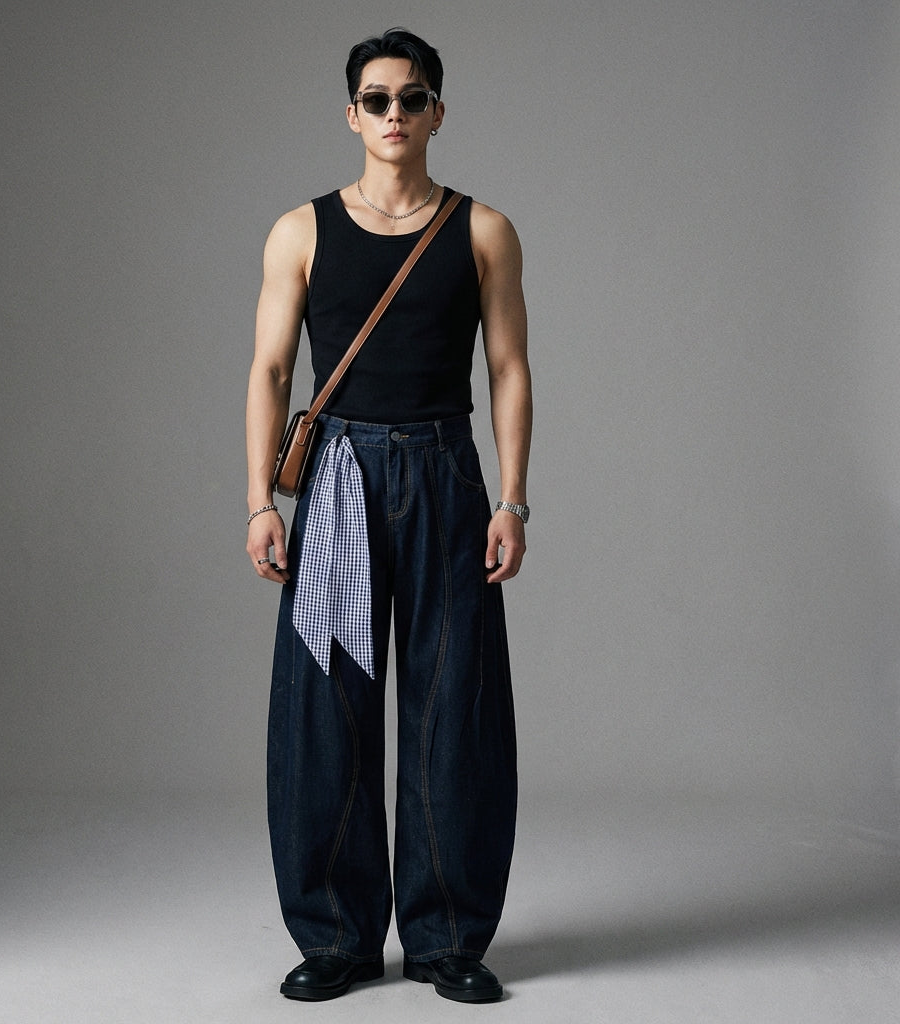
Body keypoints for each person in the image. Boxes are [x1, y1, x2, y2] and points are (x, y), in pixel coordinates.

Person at [245, 28, 531, 1004]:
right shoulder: (302, 231)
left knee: (454, 711)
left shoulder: (483, 230)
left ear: (438, 113)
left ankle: (447, 939)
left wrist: (512, 498)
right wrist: (258, 502)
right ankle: (337, 938)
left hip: (447, 474)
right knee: (325, 712)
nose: (394, 114)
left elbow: (508, 369)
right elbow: (270, 371)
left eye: (412, 98)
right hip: (335, 483)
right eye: (377, 99)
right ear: (352, 114)